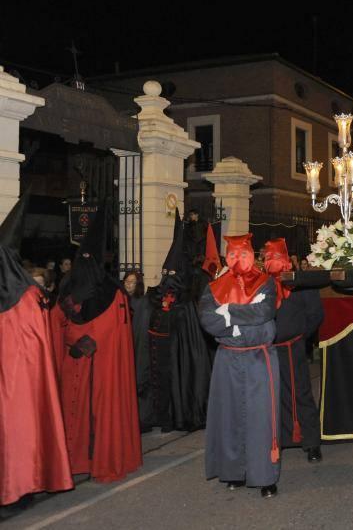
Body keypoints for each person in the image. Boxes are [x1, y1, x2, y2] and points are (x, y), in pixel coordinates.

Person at [50, 202, 142, 482]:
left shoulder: (112, 291)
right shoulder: (67, 285)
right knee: (71, 413)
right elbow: (56, 319)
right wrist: (71, 340)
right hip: (73, 362)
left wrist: (86, 342)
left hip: (100, 365)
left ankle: (99, 458)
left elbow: (113, 328)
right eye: (83, 256)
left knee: (99, 413)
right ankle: (72, 461)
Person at [0, 193, 73, 505]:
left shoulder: (28, 298)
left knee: (18, 432)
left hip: (16, 385)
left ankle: (22, 484)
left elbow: (33, 350)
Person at [200, 233, 280, 498]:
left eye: (243, 254)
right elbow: (208, 321)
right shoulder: (213, 287)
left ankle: (265, 477)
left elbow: (264, 312)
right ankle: (233, 472)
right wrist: (237, 321)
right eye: (232, 255)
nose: (238, 260)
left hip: (259, 359)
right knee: (229, 416)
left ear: (252, 255)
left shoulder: (266, 283)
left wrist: (229, 313)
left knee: (261, 420)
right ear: (226, 256)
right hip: (228, 359)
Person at [135, 212, 211, 433]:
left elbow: (193, 348)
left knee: (177, 382)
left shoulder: (186, 304)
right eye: (164, 273)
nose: (167, 277)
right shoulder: (154, 297)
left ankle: (178, 415)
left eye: (172, 274)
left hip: (176, 357)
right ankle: (157, 416)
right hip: (157, 353)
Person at [263, 239, 325, 462]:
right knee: (272, 397)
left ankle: (311, 442)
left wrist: (299, 336)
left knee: (302, 392)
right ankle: (277, 439)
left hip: (294, 348)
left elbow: (315, 313)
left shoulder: (301, 283)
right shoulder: (261, 285)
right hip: (268, 351)